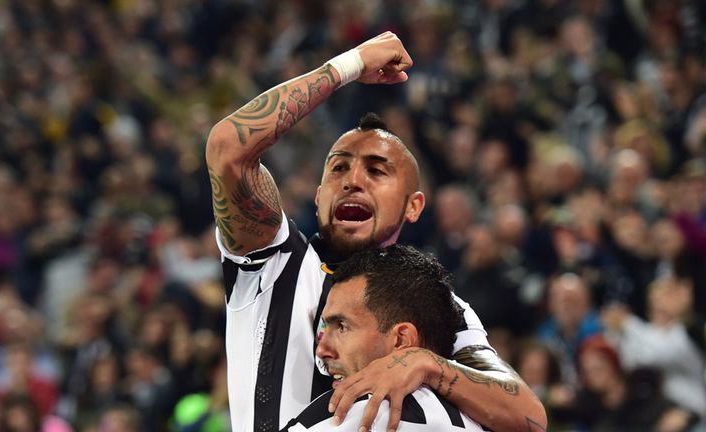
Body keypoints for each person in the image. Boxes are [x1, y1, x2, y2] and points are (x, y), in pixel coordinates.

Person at [205, 32, 546, 432]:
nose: (352, 180)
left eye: (376, 169)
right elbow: (227, 148)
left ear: (413, 205)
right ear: (318, 197)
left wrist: (426, 363)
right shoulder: (273, 261)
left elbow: (528, 418)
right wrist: (348, 66)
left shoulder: (438, 303)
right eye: (338, 168)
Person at [280, 244, 486, 431]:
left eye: (342, 327)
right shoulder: (484, 419)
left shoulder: (349, 414)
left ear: (401, 340)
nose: (322, 350)